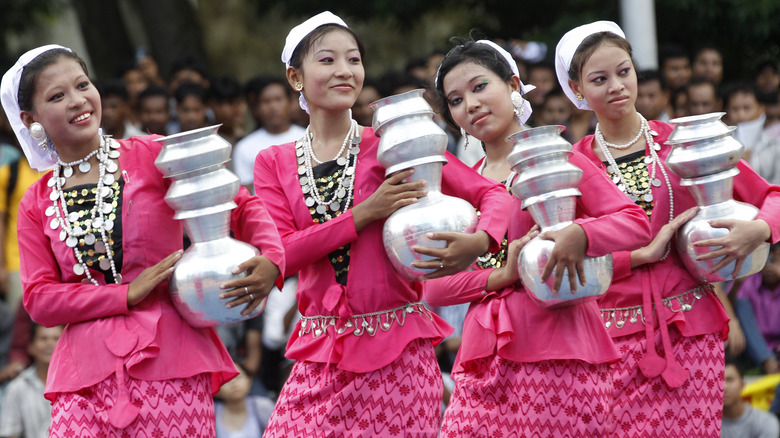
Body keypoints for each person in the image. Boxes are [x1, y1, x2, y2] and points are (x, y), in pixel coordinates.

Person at [0, 44, 285, 435]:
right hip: (82, 377)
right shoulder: (37, 199)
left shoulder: (151, 155)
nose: (78, 101)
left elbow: (238, 203)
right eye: (57, 96)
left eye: (83, 85)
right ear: (31, 119)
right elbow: (39, 298)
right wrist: (127, 294)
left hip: (171, 357)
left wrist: (271, 258)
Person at [254, 12, 514, 436]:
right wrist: (366, 213)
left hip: (399, 357)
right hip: (320, 355)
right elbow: (282, 253)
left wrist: (480, 240)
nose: (345, 70)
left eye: (354, 59)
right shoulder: (274, 161)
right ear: (295, 76)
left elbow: (492, 194)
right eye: (328, 60)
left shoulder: (393, 141)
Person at [556, 21, 780, 436]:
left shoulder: (685, 142)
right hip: (609, 338)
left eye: (624, 72)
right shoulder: (571, 165)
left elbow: (773, 196)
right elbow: (567, 256)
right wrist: (635, 257)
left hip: (690, 329)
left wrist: (761, 230)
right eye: (599, 79)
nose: (616, 86)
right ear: (577, 90)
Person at [427, 37, 653, 437]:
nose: (472, 104)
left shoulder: (557, 156)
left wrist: (578, 234)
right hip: (483, 355)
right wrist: (500, 276)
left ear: (514, 86)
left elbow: (634, 222)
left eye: (480, 87)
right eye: (456, 100)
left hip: (559, 351)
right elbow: (432, 289)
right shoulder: (465, 184)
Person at [232, 77, 304, 192]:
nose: (273, 107)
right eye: (266, 101)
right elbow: (247, 195)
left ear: (290, 102)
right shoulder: (244, 147)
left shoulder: (308, 137)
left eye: (278, 99)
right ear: (256, 108)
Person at [0, 324, 62, 438]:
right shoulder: (18, 387)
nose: (49, 344)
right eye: (43, 339)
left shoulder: (76, 387)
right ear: (31, 347)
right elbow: (9, 433)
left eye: (56, 339)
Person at [213, 361, 275, 437]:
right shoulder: (212, 412)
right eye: (226, 380)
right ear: (216, 389)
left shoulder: (263, 406)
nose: (234, 383)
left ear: (249, 380)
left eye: (238, 377)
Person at [721, 359, 780, 437]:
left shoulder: (766, 422)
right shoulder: (704, 424)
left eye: (729, 380)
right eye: (718, 381)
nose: (724, 387)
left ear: (742, 384)